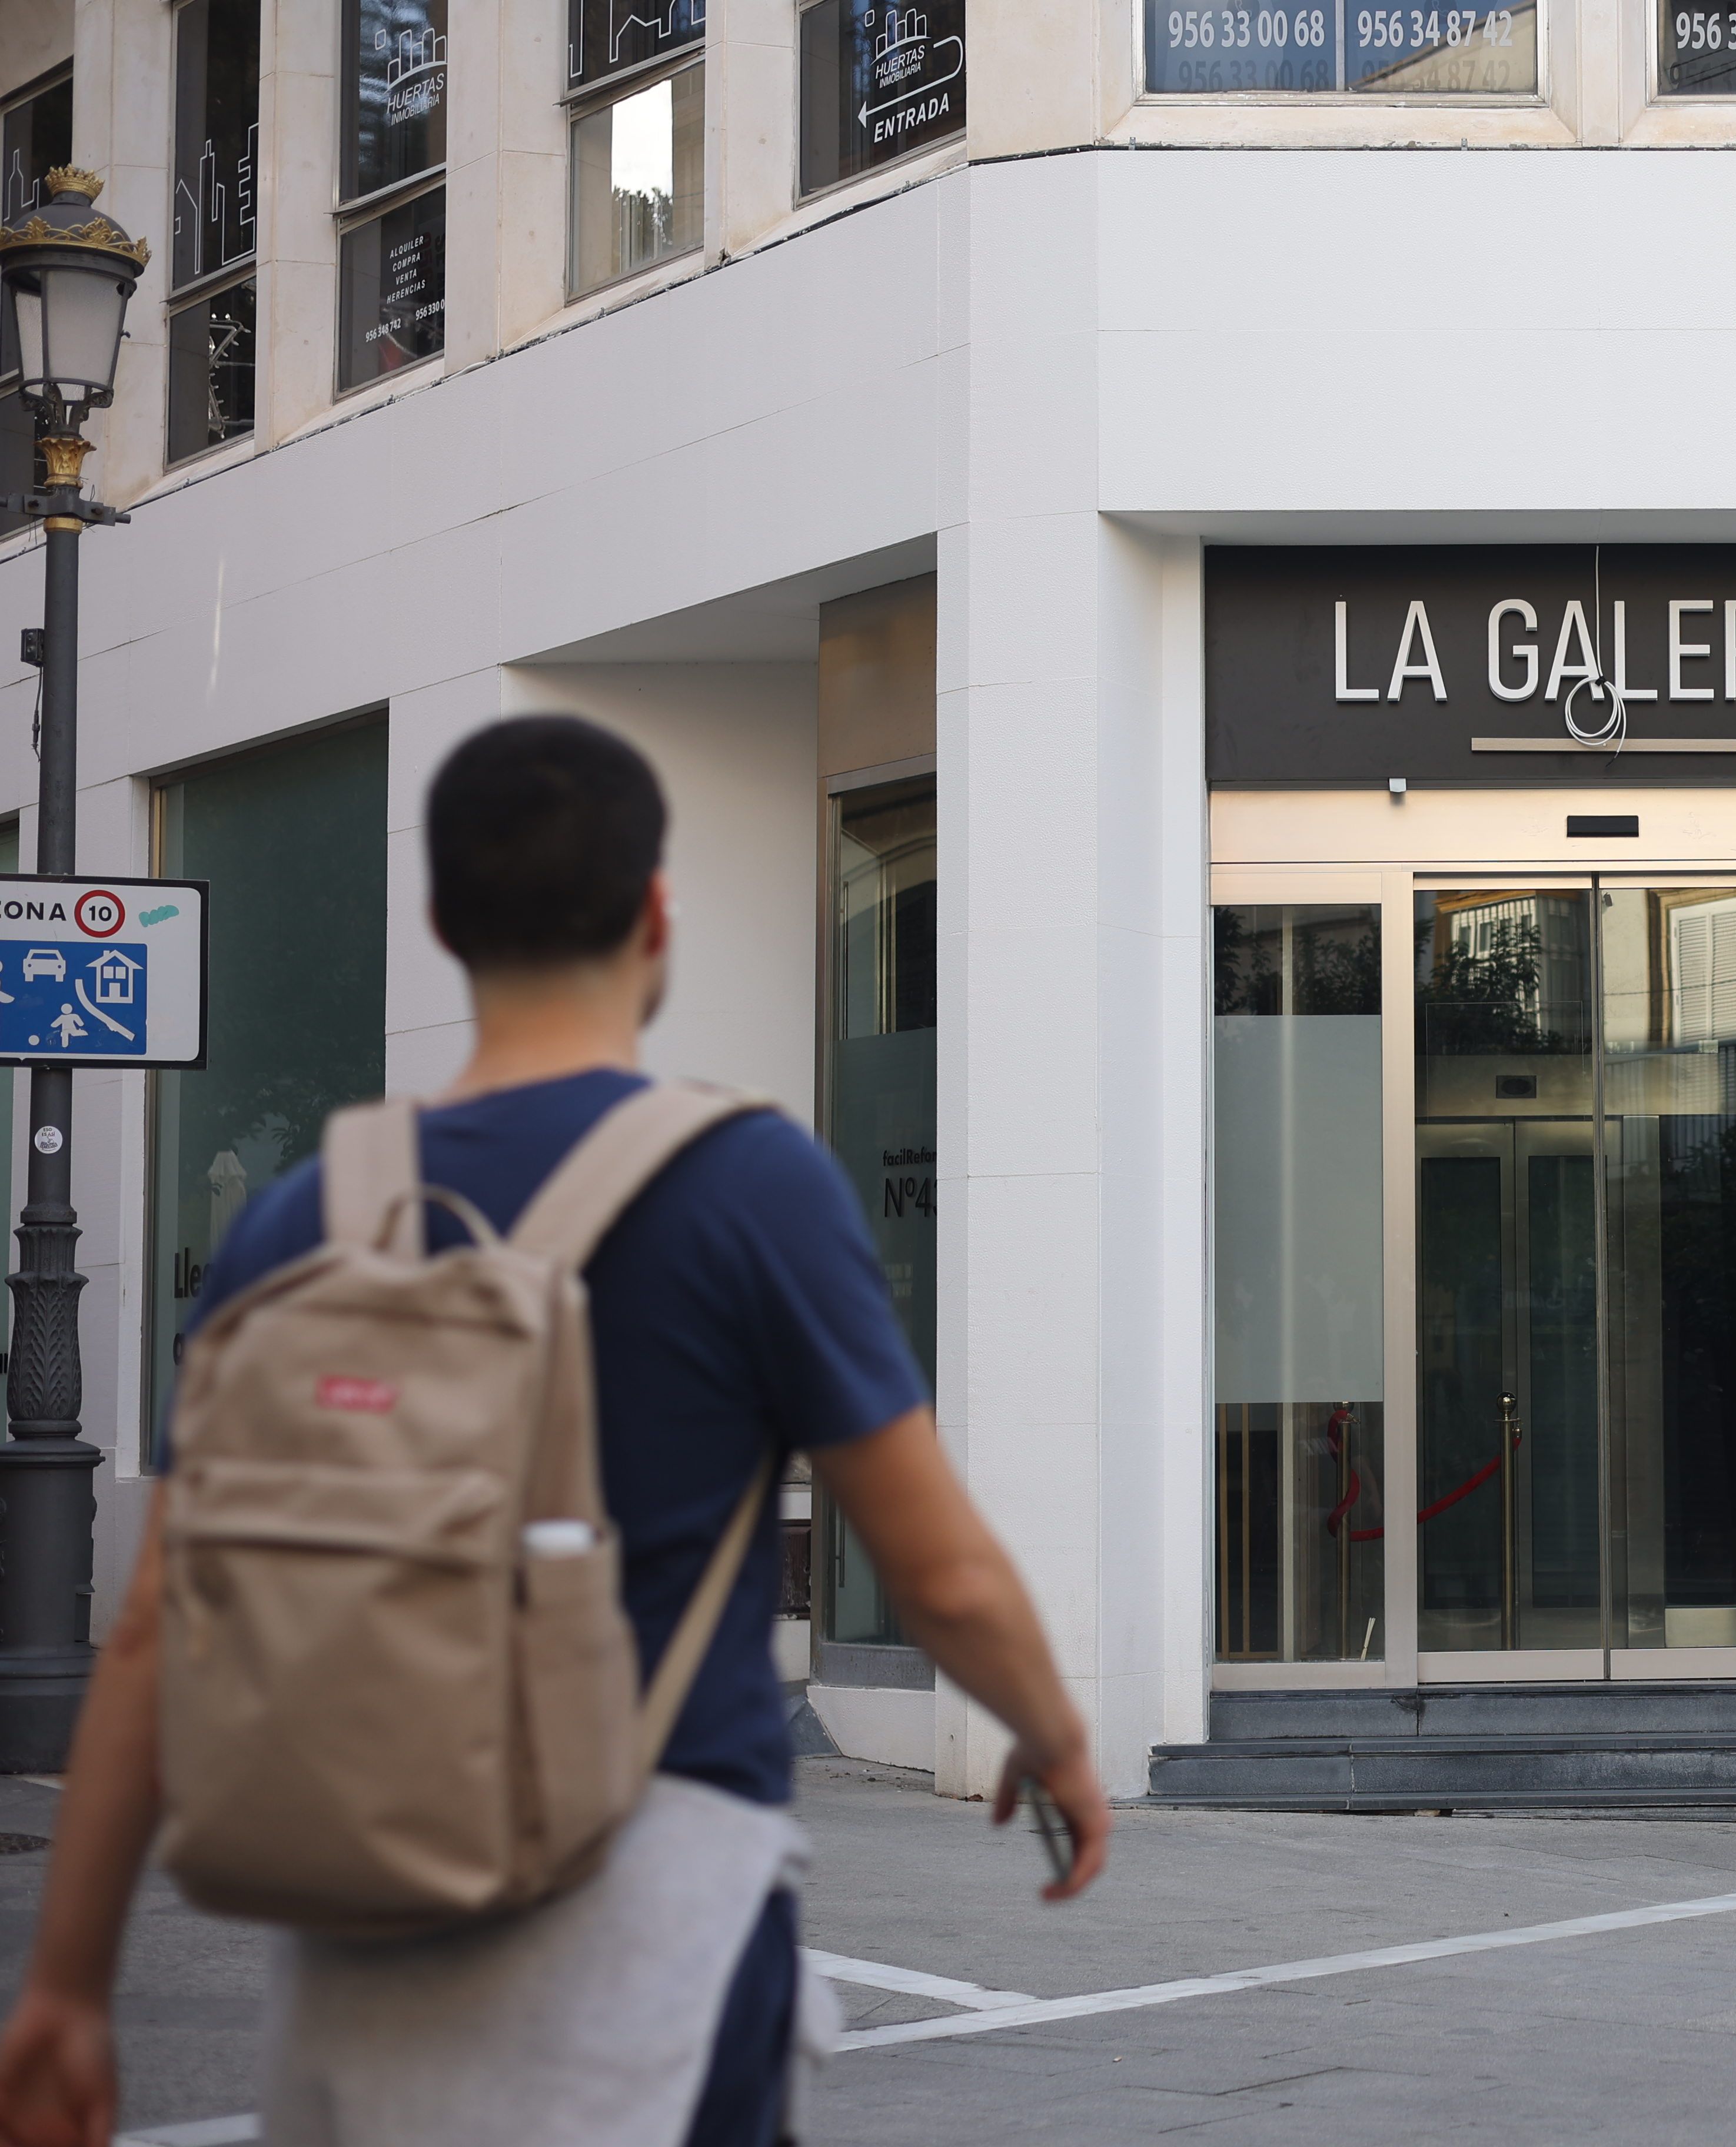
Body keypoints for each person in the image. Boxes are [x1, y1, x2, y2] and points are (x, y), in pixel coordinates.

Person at [0, 715, 1113, 2146]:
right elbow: (941, 1572)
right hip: (658, 1930)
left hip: (362, 1935)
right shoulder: (747, 1184)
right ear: (657, 913)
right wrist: (1053, 1735)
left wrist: (70, 1985)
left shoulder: (306, 1215)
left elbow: (155, 1630)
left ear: (442, 921)